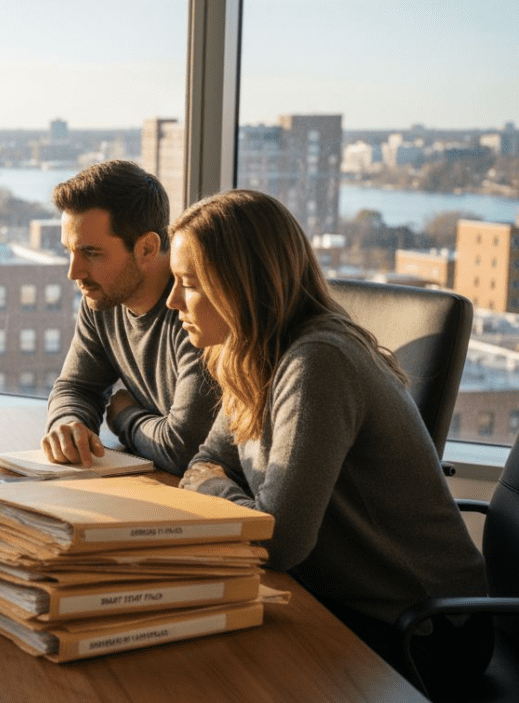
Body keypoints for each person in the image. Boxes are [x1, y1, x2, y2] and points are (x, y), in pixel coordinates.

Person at [166, 188, 492, 697]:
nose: (172, 301)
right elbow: (207, 460)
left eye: (188, 284)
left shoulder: (317, 362)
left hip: (426, 631)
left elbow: (279, 541)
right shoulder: (250, 355)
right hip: (336, 598)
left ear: (241, 284)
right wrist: (220, 486)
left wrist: (215, 489)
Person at [42, 160, 218, 475]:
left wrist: (124, 415)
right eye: (70, 252)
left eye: (92, 253)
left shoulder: (197, 310)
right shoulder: (102, 297)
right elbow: (77, 386)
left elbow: (185, 449)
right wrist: (69, 424)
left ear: (147, 248)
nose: (74, 273)